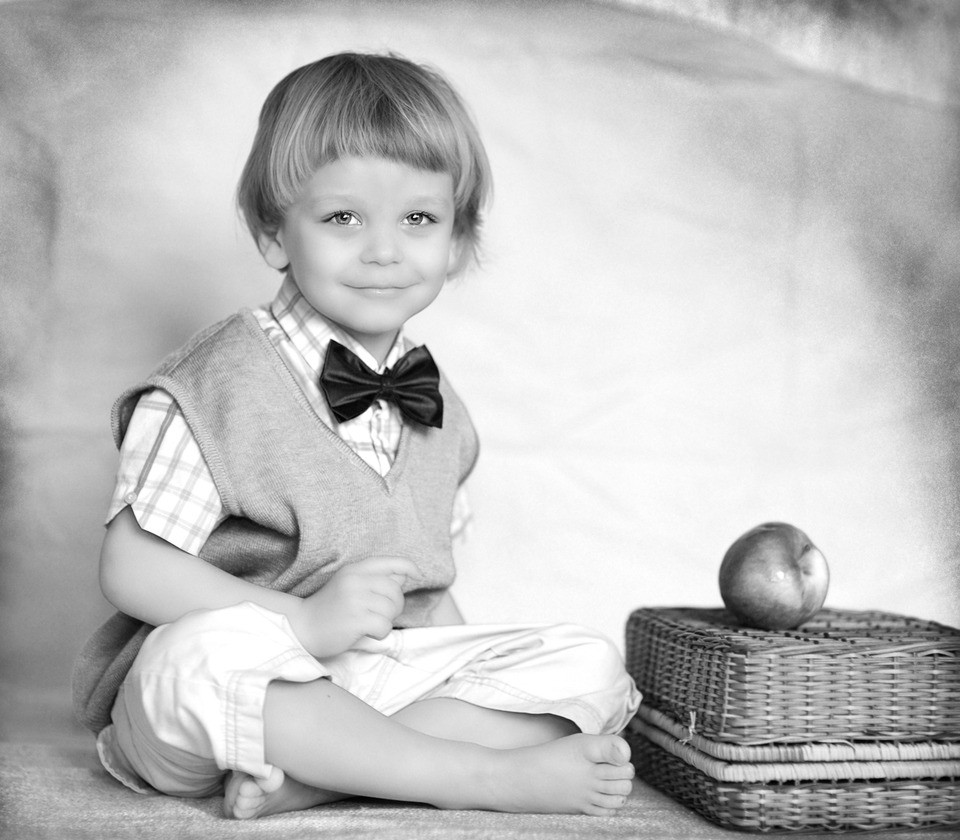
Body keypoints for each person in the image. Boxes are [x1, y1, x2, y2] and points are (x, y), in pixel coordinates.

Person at [72, 51, 641, 820]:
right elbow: (131, 568)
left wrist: (471, 670)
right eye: (344, 217)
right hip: (232, 694)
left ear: (458, 241)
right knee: (193, 658)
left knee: (590, 664)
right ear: (274, 232)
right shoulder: (218, 382)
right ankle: (472, 777)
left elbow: (430, 598)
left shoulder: (443, 411)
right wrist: (302, 622)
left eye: (418, 219)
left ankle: (324, 777)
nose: (383, 248)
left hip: (367, 685)